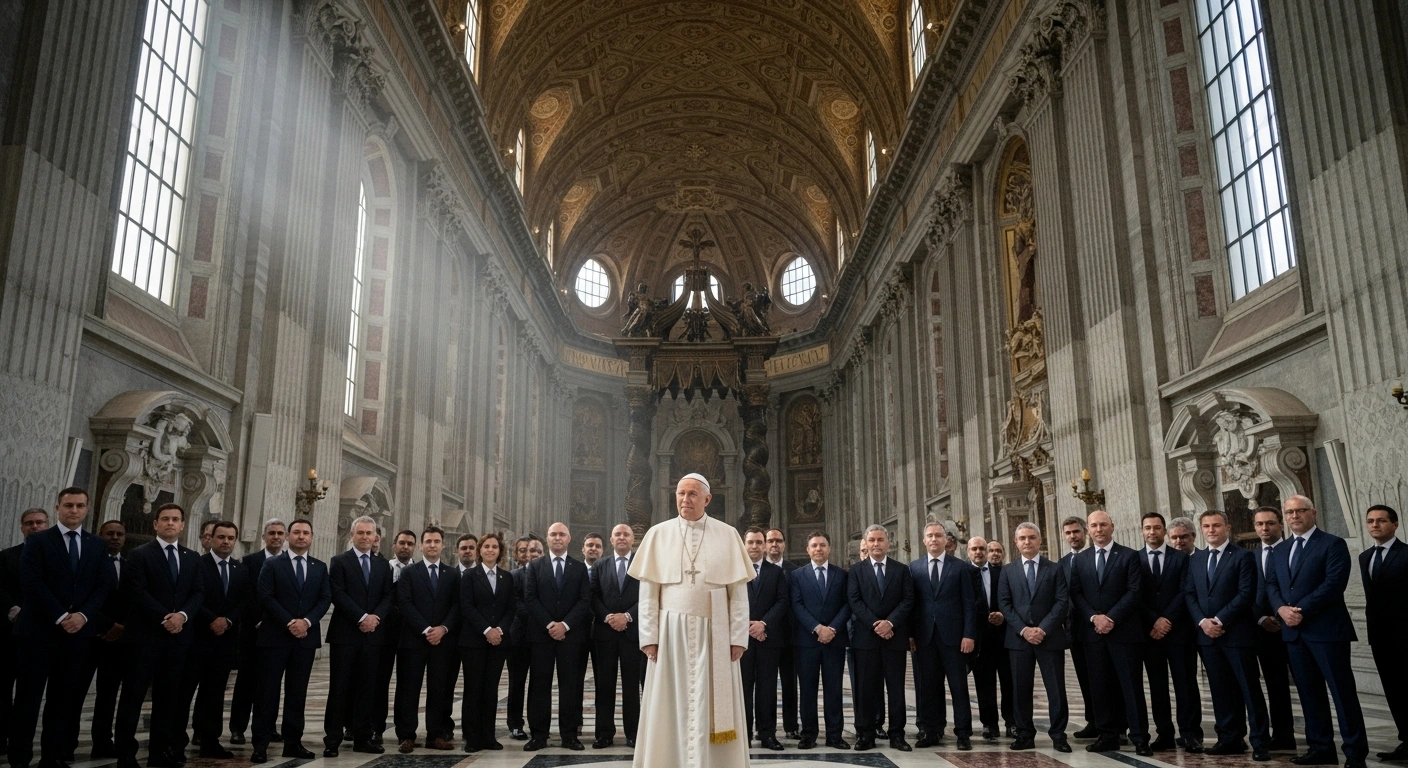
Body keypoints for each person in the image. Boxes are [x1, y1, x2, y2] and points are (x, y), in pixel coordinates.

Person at [629, 473, 753, 767]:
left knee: (714, 702)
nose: (685, 499)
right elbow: (648, 593)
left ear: (707, 499)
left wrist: (738, 638)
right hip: (671, 632)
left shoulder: (728, 534)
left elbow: (737, 593)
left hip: (717, 632)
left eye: (692, 494)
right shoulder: (658, 534)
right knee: (670, 702)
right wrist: (649, 637)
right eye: (681, 494)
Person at [8, 488, 116, 768]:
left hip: (76, 636)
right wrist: (60, 616)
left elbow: (103, 585)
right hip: (38, 633)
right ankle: (19, 759)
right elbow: (31, 583)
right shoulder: (39, 540)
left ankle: (51, 758)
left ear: (87, 509)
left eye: (80, 505)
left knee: (62, 700)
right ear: (57, 508)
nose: (74, 510)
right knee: (28, 700)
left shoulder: (96, 544)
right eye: (68, 505)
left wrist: (82, 615)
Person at [1264, 496, 1368, 768]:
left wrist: (1299, 610)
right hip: (1293, 633)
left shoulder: (1333, 544)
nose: (1294, 516)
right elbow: (1271, 585)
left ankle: (1355, 753)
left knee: (1342, 693)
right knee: (1309, 694)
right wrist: (1281, 610)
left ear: (1313, 512)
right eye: (1289, 512)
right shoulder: (1279, 549)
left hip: (1326, 631)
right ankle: (1320, 747)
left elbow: (1334, 584)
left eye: (1300, 511)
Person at [112, 503, 202, 768]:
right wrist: (167, 617)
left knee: (168, 699)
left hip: (177, 640)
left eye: (176, 519)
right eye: (165, 519)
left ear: (183, 525)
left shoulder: (192, 557)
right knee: (133, 697)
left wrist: (182, 616)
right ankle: (126, 755)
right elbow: (137, 592)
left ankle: (159, 753)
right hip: (144, 638)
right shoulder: (140, 554)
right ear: (155, 524)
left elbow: (198, 592)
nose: (170, 523)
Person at [1186, 509, 1271, 761]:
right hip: (1208, 636)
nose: (1211, 530)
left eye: (1216, 525)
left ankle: (1259, 741)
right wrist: (1203, 622)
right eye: (1206, 526)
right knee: (1220, 690)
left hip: (1237, 634)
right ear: (1201, 529)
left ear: (1227, 527)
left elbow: (1246, 594)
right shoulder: (1196, 559)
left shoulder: (1243, 556)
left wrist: (1219, 619)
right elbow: (1189, 594)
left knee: (1248, 688)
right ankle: (1229, 738)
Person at [1069, 510, 1150, 755]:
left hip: (1124, 632)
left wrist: (1111, 617)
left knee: (1131, 687)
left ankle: (1139, 737)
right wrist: (1095, 617)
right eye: (1094, 525)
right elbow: (1076, 593)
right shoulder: (1080, 560)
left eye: (1103, 524)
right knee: (1099, 687)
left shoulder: (1129, 555)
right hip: (1093, 633)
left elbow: (1134, 591)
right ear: (1088, 530)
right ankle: (1107, 736)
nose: (1099, 529)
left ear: (1112, 527)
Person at [251, 518, 330, 763]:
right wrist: (290, 622)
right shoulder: (273, 564)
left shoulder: (319, 567)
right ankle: (260, 744)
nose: (301, 537)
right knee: (267, 692)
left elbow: (324, 599)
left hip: (304, 639)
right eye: (296, 532)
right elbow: (266, 596)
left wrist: (305, 622)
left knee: (298, 693)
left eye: (306, 533)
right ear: (287, 536)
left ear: (312, 537)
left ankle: (293, 742)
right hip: (275, 637)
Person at [176, 519, 248, 759]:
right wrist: (212, 619)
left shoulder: (240, 569)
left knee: (214, 695)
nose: (225, 542)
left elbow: (243, 601)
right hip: (197, 638)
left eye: (230, 538)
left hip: (225, 642)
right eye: (221, 537)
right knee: (184, 693)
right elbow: (193, 596)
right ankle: (175, 742)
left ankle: (210, 741)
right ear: (210, 539)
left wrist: (227, 620)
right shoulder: (197, 564)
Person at [997, 522, 1071, 752]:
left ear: (1040, 540)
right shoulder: (1008, 570)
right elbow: (1005, 604)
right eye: (1022, 538)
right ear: (1016, 543)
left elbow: (1062, 601)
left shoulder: (1055, 568)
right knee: (1020, 688)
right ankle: (1024, 734)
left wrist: (1043, 629)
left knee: (1056, 688)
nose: (1027, 542)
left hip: (1049, 637)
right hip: (1019, 639)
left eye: (1031, 537)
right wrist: (1024, 630)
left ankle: (1058, 735)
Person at [324, 516, 393, 757]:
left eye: (369, 533)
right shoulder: (339, 561)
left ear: (376, 537)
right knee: (340, 688)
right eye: (360, 532)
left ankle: (363, 738)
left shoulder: (384, 566)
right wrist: (362, 617)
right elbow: (338, 594)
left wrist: (375, 618)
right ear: (352, 535)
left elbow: (388, 596)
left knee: (368, 688)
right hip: (346, 634)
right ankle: (332, 739)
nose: (365, 537)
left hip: (373, 635)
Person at [523, 522, 592, 751]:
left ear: (569, 538)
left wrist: (565, 625)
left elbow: (584, 601)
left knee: (570, 686)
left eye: (562, 534)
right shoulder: (535, 566)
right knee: (539, 686)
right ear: (547, 538)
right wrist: (550, 624)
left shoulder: (579, 568)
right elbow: (530, 598)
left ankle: (569, 735)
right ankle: (539, 736)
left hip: (571, 636)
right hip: (541, 635)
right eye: (553, 534)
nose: (558, 538)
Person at [1138, 511, 1202, 752]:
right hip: (1150, 634)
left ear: (1164, 531)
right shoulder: (1135, 559)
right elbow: (1136, 595)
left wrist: (1166, 619)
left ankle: (1190, 733)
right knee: (1157, 685)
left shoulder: (1182, 558)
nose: (1152, 532)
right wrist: (1154, 620)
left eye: (1157, 527)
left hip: (1179, 632)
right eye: (1148, 528)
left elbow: (1186, 591)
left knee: (1185, 683)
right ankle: (1164, 732)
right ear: (1142, 531)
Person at [847, 524, 915, 752]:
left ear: (888, 543)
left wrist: (890, 623)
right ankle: (866, 734)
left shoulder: (901, 569)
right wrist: (876, 624)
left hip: (894, 638)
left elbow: (908, 600)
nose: (876, 544)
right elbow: (854, 601)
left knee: (896, 689)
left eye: (880, 540)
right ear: (865, 544)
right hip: (866, 639)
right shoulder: (856, 570)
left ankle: (897, 734)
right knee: (866, 689)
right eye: (872, 540)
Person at [909, 522, 977, 750]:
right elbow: (911, 605)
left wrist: (969, 634)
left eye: (939, 535)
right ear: (924, 540)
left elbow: (969, 604)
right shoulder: (914, 567)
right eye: (930, 536)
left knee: (958, 686)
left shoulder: (960, 567)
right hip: (924, 637)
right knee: (928, 686)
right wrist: (910, 634)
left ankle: (963, 733)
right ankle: (931, 730)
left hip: (954, 637)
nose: (934, 539)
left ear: (946, 540)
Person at [394, 526, 459, 753]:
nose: (432, 545)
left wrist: (442, 628)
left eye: (437, 541)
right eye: (428, 541)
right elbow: (405, 603)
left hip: (442, 641)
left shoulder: (452, 574)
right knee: (408, 688)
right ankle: (406, 735)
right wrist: (425, 629)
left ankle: (436, 734)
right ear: (421, 545)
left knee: (439, 689)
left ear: (443, 545)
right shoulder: (409, 573)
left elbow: (456, 605)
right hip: (413, 639)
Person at [790, 531, 849, 750]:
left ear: (829, 548)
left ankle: (835, 735)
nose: (818, 549)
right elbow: (797, 606)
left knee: (834, 689)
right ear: (808, 550)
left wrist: (831, 628)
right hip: (807, 641)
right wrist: (817, 628)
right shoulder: (797, 576)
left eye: (822, 545)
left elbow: (846, 605)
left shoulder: (842, 575)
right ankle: (808, 735)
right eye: (814, 545)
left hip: (834, 640)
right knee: (807, 690)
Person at [229, 519, 287, 745]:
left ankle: (269, 726)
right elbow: (246, 595)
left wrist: (276, 620)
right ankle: (238, 728)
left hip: (278, 633)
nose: (276, 537)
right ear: (264, 536)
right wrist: (262, 619)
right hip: (252, 631)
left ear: (285, 537)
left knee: (272, 683)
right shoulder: (250, 561)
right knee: (246, 681)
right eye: (271, 533)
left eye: (280, 533)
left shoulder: (288, 562)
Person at [1, 509, 52, 758]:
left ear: (47, 525)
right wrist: (14, 609)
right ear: (22, 528)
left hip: (44, 636)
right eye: (29, 523)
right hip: (10, 633)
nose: (34, 527)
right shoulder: (7, 556)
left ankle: (24, 747)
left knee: (30, 696)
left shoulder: (57, 558)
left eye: (39, 522)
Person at [459, 532, 515, 753]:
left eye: (494, 547)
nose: (490, 550)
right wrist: (486, 630)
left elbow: (511, 608)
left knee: (491, 690)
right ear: (479, 551)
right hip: (473, 641)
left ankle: (489, 736)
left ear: (500, 551)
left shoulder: (506, 577)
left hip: (498, 642)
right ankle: (472, 738)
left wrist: (499, 630)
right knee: (473, 689)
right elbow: (467, 607)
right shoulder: (470, 576)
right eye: (486, 547)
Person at [1361, 505, 1407, 761]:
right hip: (1380, 636)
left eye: (1381, 520)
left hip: (1405, 634)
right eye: (1370, 521)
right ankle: (1405, 740)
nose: (1375, 525)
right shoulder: (1364, 557)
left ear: (1395, 524)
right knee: (1393, 690)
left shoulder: (1406, 554)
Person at [76, 518, 124, 760]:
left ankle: (103, 742)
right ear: (99, 536)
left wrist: (120, 627)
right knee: (76, 693)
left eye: (119, 534)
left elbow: (132, 599)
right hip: (89, 635)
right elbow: (85, 597)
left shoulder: (128, 565)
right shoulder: (88, 562)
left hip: (117, 642)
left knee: (108, 696)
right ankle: (66, 742)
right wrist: (107, 625)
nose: (114, 538)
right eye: (109, 534)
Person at [590, 524, 641, 749]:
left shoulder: (642, 563)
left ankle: (634, 733)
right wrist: (609, 616)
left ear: (633, 539)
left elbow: (649, 596)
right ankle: (604, 733)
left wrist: (628, 617)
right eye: (618, 534)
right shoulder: (600, 565)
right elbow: (592, 596)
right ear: (611, 539)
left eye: (626, 534)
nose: (622, 538)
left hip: (633, 634)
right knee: (604, 685)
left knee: (632, 686)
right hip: (605, 634)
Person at [1251, 506, 1297, 750]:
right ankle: (1282, 735)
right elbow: (1248, 592)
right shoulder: (1251, 556)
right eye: (1259, 524)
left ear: (1281, 525)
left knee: (1307, 684)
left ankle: (1319, 737)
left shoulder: (1292, 550)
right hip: (1263, 630)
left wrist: (1284, 614)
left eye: (1270, 523)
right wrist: (1261, 619)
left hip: (1293, 625)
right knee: (1275, 684)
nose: (1264, 528)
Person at [739, 528, 789, 750]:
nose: (755, 546)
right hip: (741, 641)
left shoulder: (776, 573)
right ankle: (744, 734)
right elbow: (729, 603)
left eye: (759, 542)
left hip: (769, 638)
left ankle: (767, 733)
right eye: (750, 542)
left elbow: (782, 601)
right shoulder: (735, 570)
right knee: (743, 688)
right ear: (744, 544)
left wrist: (763, 624)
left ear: (764, 545)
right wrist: (748, 626)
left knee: (767, 688)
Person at [372, 529, 417, 745]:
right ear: (394, 545)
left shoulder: (419, 571)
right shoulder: (383, 568)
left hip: (411, 634)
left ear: (414, 547)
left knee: (407, 683)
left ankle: (405, 731)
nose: (405, 547)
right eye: (402, 543)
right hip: (384, 633)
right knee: (379, 681)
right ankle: (376, 728)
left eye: (409, 544)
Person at [1058, 516, 1099, 739]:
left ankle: (1115, 724)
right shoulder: (1061, 564)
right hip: (1074, 630)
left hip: (1097, 626)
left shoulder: (1096, 557)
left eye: (1076, 532)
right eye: (1068, 533)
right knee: (1084, 677)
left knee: (1104, 677)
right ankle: (1093, 720)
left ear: (1086, 532)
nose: (1073, 536)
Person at [973, 538, 1014, 740]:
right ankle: (989, 724)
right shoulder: (971, 573)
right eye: (991, 550)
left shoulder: (1005, 573)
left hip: (1005, 636)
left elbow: (1013, 600)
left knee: (1009, 682)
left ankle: (1012, 722)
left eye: (999, 550)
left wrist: (1003, 616)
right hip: (982, 638)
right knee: (984, 683)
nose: (994, 553)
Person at [505, 536, 543, 740]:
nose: (530, 555)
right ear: (517, 554)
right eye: (524, 551)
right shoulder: (513, 576)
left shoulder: (546, 575)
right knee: (516, 682)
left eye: (535, 551)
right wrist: (542, 617)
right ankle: (515, 724)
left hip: (541, 638)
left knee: (538, 684)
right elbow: (516, 604)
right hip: (519, 637)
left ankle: (537, 724)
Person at [765, 528, 800, 740]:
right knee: (765, 685)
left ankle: (791, 725)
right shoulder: (756, 569)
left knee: (789, 684)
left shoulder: (794, 571)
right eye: (770, 541)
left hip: (788, 637)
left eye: (778, 540)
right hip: (765, 636)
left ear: (784, 544)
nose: (774, 544)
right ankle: (765, 727)